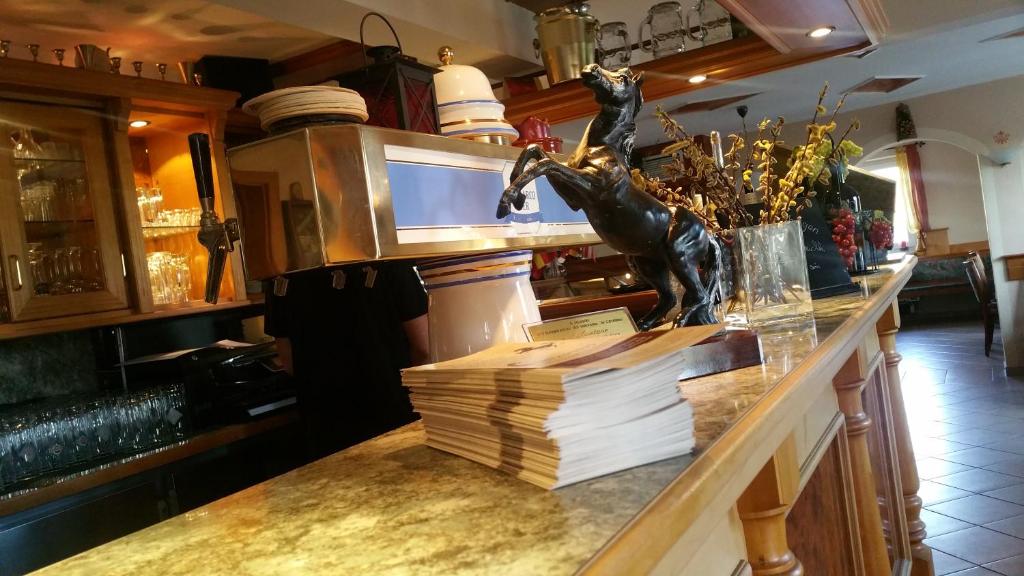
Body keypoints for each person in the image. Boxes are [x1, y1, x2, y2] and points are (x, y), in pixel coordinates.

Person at [264, 261, 429, 458]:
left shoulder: (282, 275)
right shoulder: (388, 263)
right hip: (392, 416)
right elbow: (424, 348)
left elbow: (289, 363)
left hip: (324, 426)